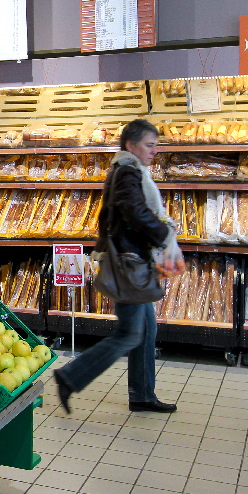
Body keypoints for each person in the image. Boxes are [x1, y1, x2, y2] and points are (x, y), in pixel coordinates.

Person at [53, 118, 185, 414]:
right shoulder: (127, 172)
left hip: (134, 260)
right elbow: (133, 211)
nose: (154, 151)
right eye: (149, 145)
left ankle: (142, 395)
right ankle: (70, 376)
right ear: (131, 145)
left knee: (146, 331)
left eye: (155, 146)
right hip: (130, 264)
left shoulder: (127, 169)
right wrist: (163, 233)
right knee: (130, 334)